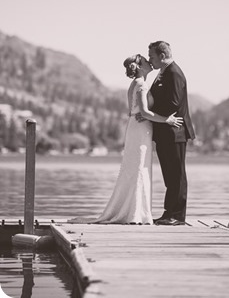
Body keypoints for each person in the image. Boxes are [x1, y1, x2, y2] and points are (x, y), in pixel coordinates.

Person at [68, 54, 183, 225]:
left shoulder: (136, 83)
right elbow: (143, 112)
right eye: (146, 61)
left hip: (137, 127)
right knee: (139, 167)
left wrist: (144, 115)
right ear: (140, 67)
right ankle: (136, 213)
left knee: (136, 166)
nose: (150, 62)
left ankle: (133, 210)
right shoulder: (141, 84)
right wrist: (167, 119)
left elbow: (136, 112)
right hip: (140, 129)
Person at [148, 41, 195, 226]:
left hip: (176, 131)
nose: (150, 59)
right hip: (165, 132)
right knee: (169, 176)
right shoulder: (163, 72)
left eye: (152, 56)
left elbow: (173, 103)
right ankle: (168, 213)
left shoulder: (174, 73)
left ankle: (177, 216)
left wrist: (149, 115)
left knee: (177, 175)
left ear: (162, 56)